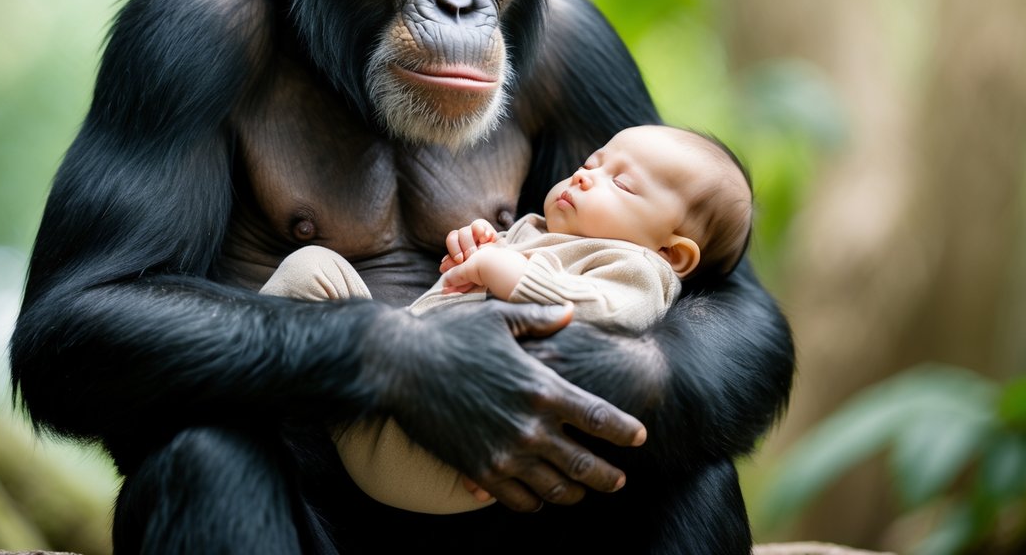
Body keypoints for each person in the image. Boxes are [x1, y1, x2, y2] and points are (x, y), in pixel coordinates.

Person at [260, 123, 754, 514]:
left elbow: (610, 318)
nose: (584, 175)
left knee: (705, 480)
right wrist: (469, 262)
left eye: (620, 183)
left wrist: (509, 274)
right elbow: (446, 305)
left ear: (673, 252)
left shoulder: (638, 267)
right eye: (591, 162)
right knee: (313, 268)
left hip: (456, 449)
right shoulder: (533, 231)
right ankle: (262, 406)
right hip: (371, 411)